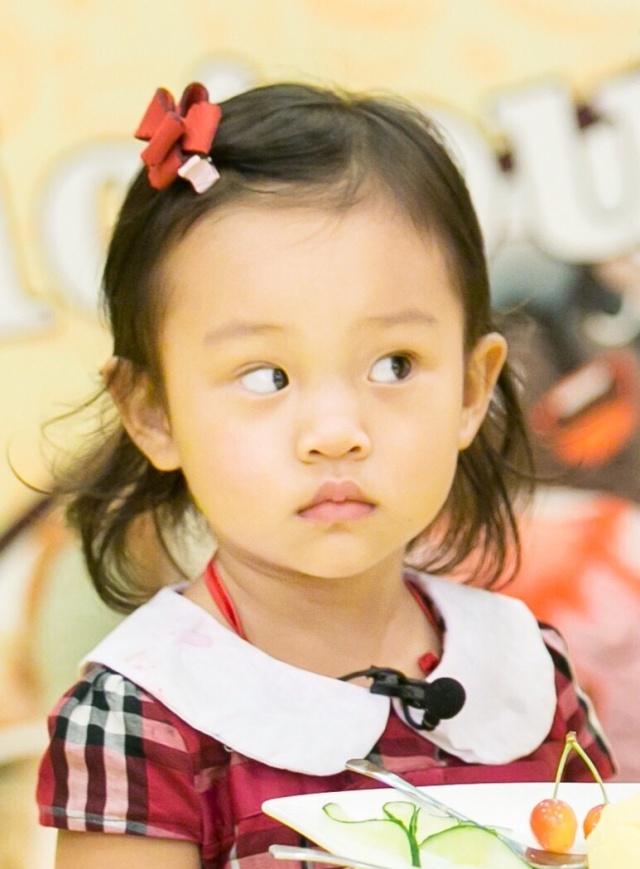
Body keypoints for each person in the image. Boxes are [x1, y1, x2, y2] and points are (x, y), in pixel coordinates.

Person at [35, 81, 615, 869]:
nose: (337, 433)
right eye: (265, 376)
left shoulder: (525, 668)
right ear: (154, 411)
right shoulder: (145, 713)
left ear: (471, 389)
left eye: (393, 364)